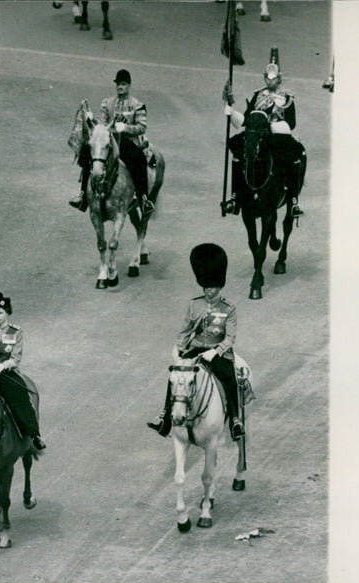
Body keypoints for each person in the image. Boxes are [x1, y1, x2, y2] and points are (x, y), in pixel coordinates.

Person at [147, 243, 245, 441]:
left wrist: (216, 351)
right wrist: (178, 348)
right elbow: (186, 330)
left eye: (212, 287)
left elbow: (230, 337)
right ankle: (165, 416)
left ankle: (235, 420)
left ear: (219, 286)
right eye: (206, 286)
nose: (208, 290)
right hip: (195, 350)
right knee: (175, 376)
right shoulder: (194, 304)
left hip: (218, 352)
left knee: (229, 378)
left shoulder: (229, 308)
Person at [224, 46, 306, 218]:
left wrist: (272, 125)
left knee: (295, 153)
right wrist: (230, 110)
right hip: (257, 133)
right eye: (267, 78)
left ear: (279, 78)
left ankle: (293, 201)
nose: (270, 81)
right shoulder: (257, 95)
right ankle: (235, 197)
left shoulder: (287, 98)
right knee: (237, 148)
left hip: (277, 135)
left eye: (273, 78)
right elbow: (247, 118)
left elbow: (291, 123)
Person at [70, 69, 154, 215]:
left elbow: (142, 127)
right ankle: (83, 195)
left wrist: (126, 127)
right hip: (108, 139)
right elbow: (101, 122)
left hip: (127, 141)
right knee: (86, 153)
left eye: (123, 84)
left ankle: (143, 198)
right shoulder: (107, 103)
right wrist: (91, 119)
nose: (120, 87)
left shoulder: (137, 105)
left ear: (128, 85)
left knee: (139, 159)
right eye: (118, 84)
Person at [0, 292, 46, 451]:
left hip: (7, 373)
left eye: (0, 313)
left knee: (20, 398)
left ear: (7, 314)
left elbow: (16, 357)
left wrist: (3, 366)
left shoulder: (15, 331)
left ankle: (33, 434)